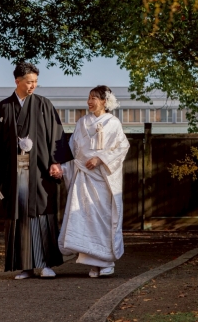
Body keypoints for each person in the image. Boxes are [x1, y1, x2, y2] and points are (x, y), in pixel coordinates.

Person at [0, 62, 68, 279]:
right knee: (18, 214)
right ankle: (26, 266)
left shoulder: (43, 105)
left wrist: (56, 162)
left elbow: (56, 134)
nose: (33, 86)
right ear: (17, 81)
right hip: (13, 171)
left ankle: (44, 263)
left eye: (36, 82)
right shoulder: (2, 108)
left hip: (39, 171)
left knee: (41, 212)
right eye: (29, 82)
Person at [58, 85, 130, 277]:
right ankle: (92, 261)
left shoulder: (113, 123)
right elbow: (72, 150)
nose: (89, 102)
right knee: (85, 217)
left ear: (104, 101)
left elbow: (122, 147)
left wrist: (100, 158)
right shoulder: (82, 122)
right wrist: (62, 168)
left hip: (103, 179)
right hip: (83, 177)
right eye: (88, 98)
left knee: (103, 217)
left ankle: (106, 260)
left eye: (94, 98)